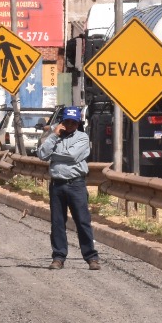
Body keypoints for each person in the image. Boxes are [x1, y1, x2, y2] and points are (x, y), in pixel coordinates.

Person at [37, 106, 101, 270]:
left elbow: (72, 156)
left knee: (82, 221)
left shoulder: (82, 138)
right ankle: (58, 257)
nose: (70, 125)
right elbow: (42, 154)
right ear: (62, 122)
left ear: (78, 123)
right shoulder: (55, 137)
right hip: (57, 184)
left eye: (74, 122)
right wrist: (53, 137)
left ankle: (91, 257)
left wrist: (54, 154)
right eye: (67, 122)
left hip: (76, 184)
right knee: (57, 223)